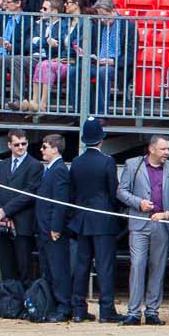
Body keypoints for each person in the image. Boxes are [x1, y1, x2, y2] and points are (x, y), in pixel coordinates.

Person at [116, 134, 169, 326]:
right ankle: (133, 312)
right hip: (139, 222)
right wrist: (138, 203)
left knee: (158, 268)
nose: (167, 153)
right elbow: (121, 191)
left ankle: (152, 311)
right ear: (151, 149)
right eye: (163, 149)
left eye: (168, 149)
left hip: (162, 223)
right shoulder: (133, 164)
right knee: (137, 265)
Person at [70, 119, 122, 322]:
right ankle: (106, 310)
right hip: (103, 219)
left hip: (82, 218)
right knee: (105, 266)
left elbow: (73, 192)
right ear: (100, 139)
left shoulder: (76, 162)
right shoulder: (107, 161)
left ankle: (78, 308)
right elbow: (112, 191)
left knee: (82, 265)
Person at [0, 130, 41, 286]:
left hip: (22, 224)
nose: (21, 147)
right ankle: (8, 303)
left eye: (24, 144)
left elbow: (29, 194)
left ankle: (23, 305)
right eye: (17, 144)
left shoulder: (35, 165)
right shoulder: (1, 165)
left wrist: (6, 211)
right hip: (1, 223)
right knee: (6, 268)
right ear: (9, 145)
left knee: (24, 268)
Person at [33, 133, 76, 322]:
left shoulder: (59, 170)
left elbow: (61, 201)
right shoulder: (50, 169)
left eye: (45, 147)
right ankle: (52, 304)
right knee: (49, 269)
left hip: (53, 230)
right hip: (44, 228)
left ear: (55, 149)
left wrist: (56, 227)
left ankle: (63, 306)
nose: (42, 150)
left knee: (58, 269)